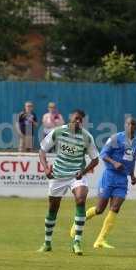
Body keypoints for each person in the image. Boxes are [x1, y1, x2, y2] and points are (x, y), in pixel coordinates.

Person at [72, 116, 136, 249]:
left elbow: (132, 161)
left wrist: (132, 176)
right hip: (109, 176)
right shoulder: (116, 138)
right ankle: (77, 224)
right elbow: (103, 154)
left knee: (115, 208)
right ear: (125, 125)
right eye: (128, 124)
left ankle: (100, 240)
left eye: (133, 124)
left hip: (122, 180)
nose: (130, 126)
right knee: (99, 209)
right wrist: (114, 162)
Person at [37, 109, 99, 255]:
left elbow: (95, 159)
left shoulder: (86, 137)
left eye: (80, 120)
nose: (77, 121)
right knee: (53, 208)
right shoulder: (58, 132)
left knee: (81, 198)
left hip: (76, 175)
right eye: (76, 118)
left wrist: (83, 172)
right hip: (58, 174)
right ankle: (47, 243)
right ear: (70, 117)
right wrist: (46, 168)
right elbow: (42, 150)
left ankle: (77, 242)